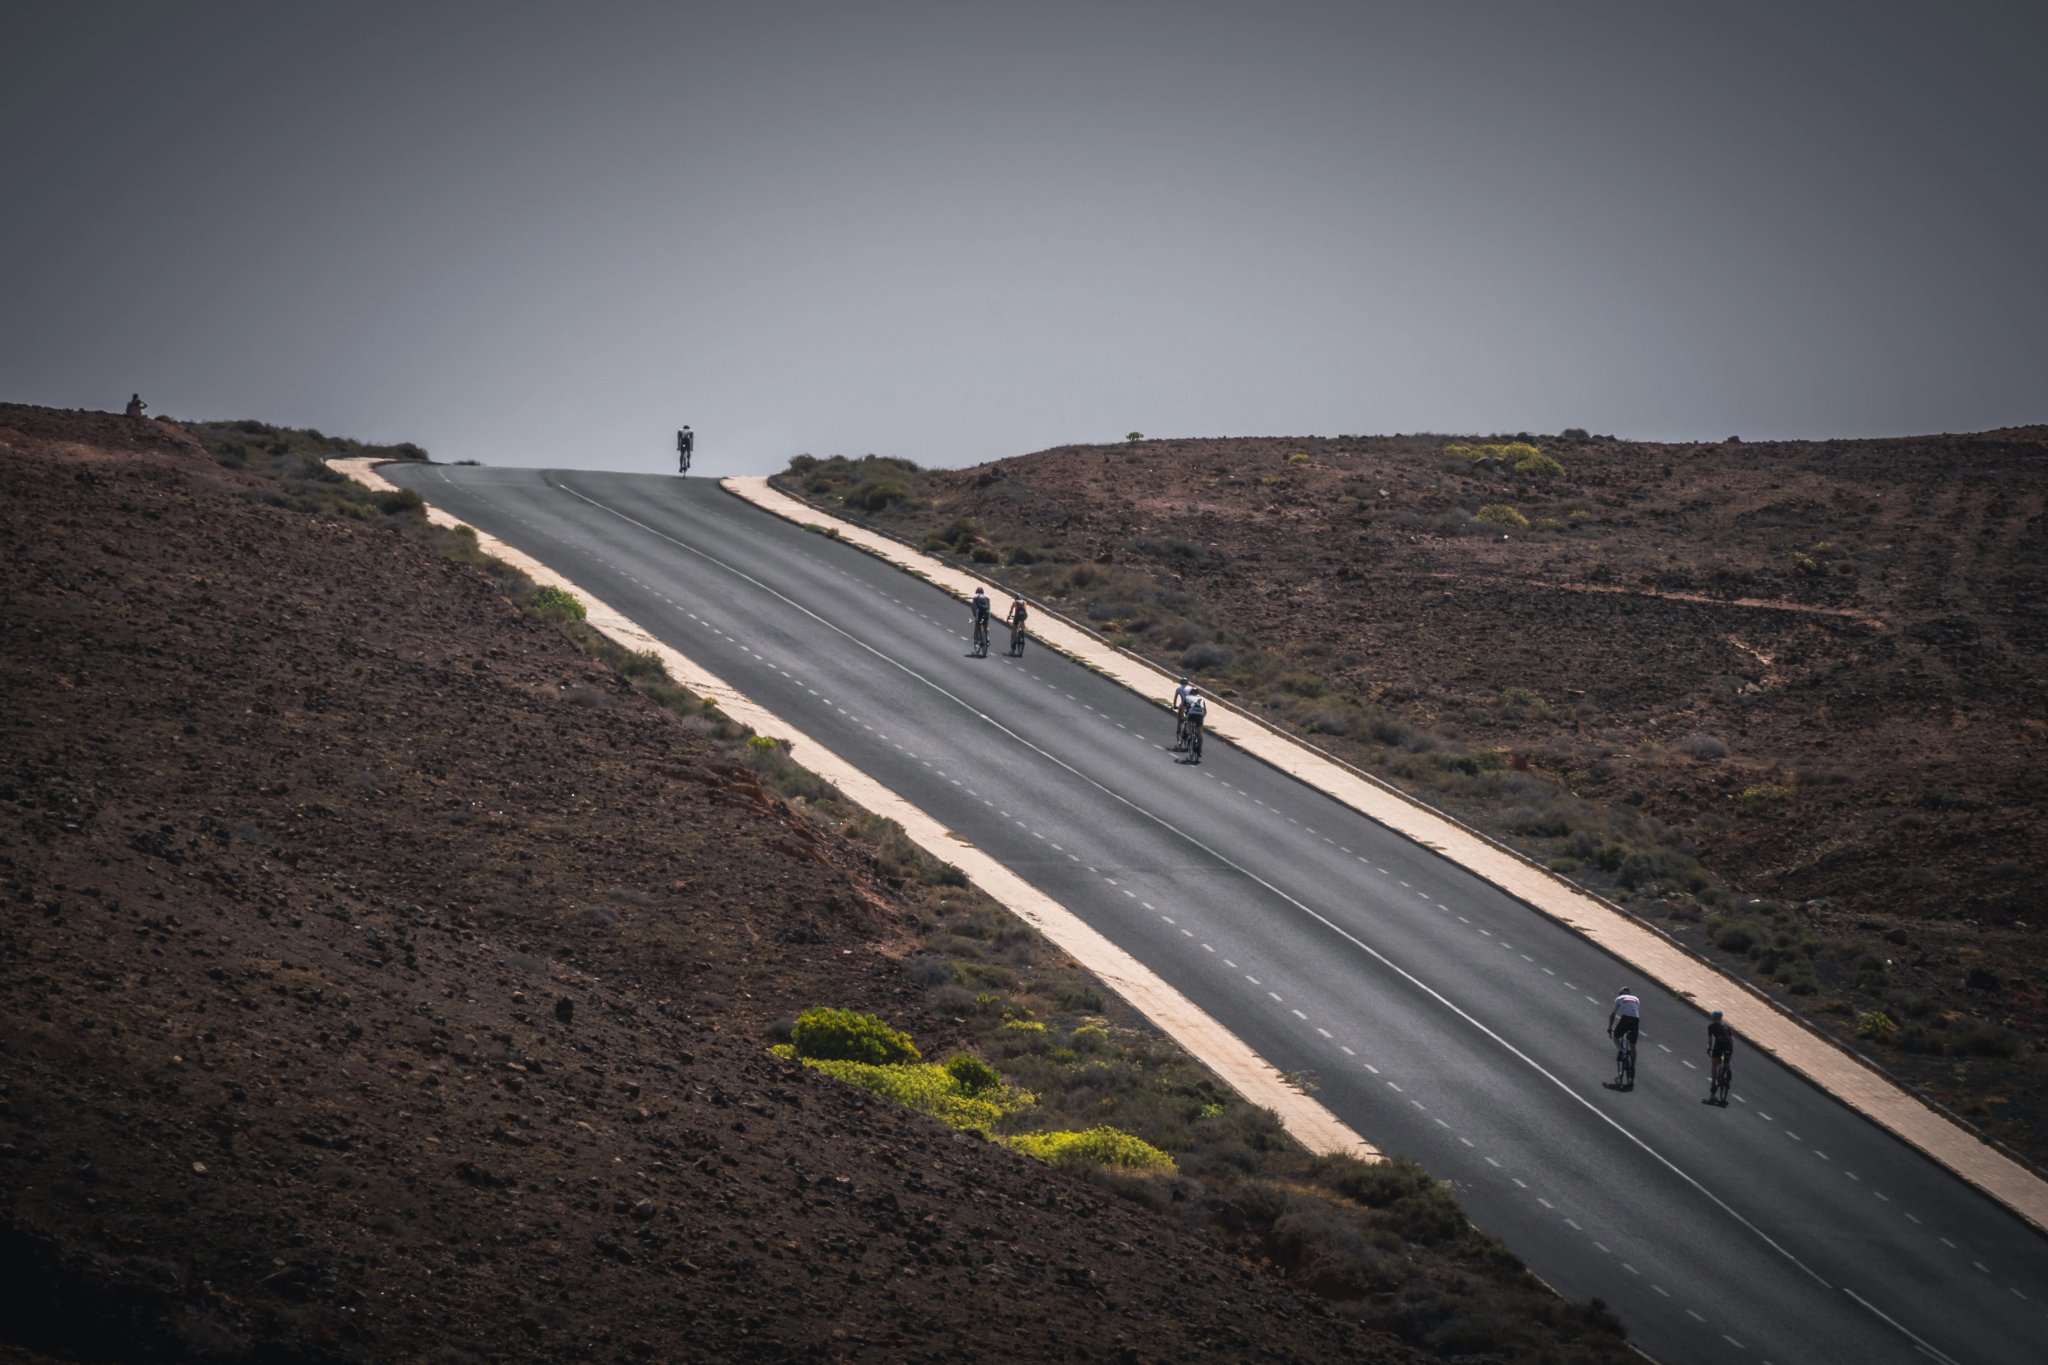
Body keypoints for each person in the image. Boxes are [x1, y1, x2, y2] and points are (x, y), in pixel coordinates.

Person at [1608, 988, 1642, 1088]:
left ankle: (1621, 1050)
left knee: (1616, 1036)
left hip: (1625, 1018)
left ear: (1620, 993)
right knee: (1633, 1045)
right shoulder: (1636, 998)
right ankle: (1633, 1067)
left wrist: (1610, 1027)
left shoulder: (1619, 998)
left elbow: (1613, 1014)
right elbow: (1635, 1011)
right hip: (1635, 1020)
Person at [1706, 1009, 1735, 1105]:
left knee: (1714, 1065)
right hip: (1727, 1047)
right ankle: (1727, 1070)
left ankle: (1713, 1085)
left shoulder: (1711, 1026)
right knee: (1726, 1060)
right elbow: (1731, 1040)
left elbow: (1710, 1040)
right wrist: (1731, 1051)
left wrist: (1709, 1048)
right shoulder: (1726, 1027)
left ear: (1714, 1018)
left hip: (1718, 1046)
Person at [1182, 687, 1208, 763]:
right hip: (1200, 715)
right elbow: (1205, 711)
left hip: (1191, 714)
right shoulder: (1201, 699)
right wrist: (1202, 718)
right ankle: (1199, 750)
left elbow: (1183, 709)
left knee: (1188, 725)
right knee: (1200, 733)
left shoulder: (1187, 697)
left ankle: (1189, 735)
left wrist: (1184, 717)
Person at [1171, 676, 1194, 750]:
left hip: (1184, 704)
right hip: (1192, 704)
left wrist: (1174, 706)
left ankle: (1179, 729)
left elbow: (1175, 699)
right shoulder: (1191, 688)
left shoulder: (1178, 689)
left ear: (1180, 683)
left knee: (1180, 718)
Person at [969, 587, 991, 652]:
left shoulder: (975, 597)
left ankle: (976, 640)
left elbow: (973, 607)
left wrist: (974, 614)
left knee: (977, 625)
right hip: (986, 612)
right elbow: (989, 607)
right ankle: (987, 638)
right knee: (986, 625)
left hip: (979, 613)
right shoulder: (987, 597)